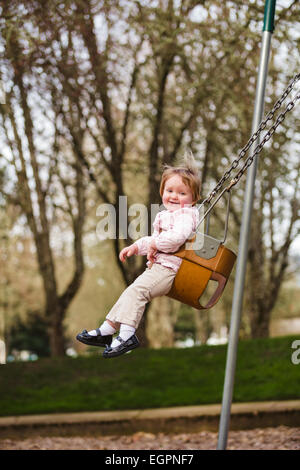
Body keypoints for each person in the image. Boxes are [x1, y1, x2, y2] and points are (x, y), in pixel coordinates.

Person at [76, 159, 201, 358]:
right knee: (131, 292)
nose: (174, 196)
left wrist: (153, 245)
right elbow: (154, 239)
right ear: (162, 192)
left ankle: (126, 336)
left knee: (137, 293)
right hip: (159, 267)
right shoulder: (167, 215)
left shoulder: (186, 216)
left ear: (193, 199)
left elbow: (175, 240)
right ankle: (107, 330)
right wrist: (136, 247)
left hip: (171, 270)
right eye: (170, 191)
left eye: (182, 193)